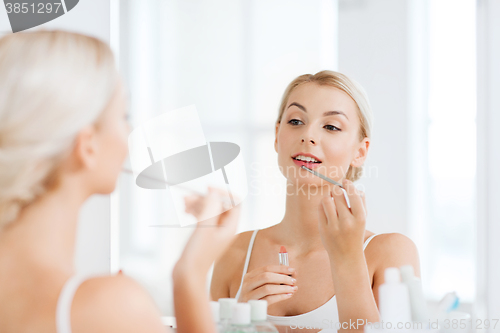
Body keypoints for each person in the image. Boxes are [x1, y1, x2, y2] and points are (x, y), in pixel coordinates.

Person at [0, 30, 240, 333]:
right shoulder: (105, 308)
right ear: (87, 145)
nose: (128, 134)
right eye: (123, 115)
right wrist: (190, 275)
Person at [210, 70, 421, 330]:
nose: (308, 135)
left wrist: (348, 259)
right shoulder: (234, 253)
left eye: (331, 126)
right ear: (277, 136)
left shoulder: (391, 253)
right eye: (296, 121)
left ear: (360, 152)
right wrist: (235, 322)